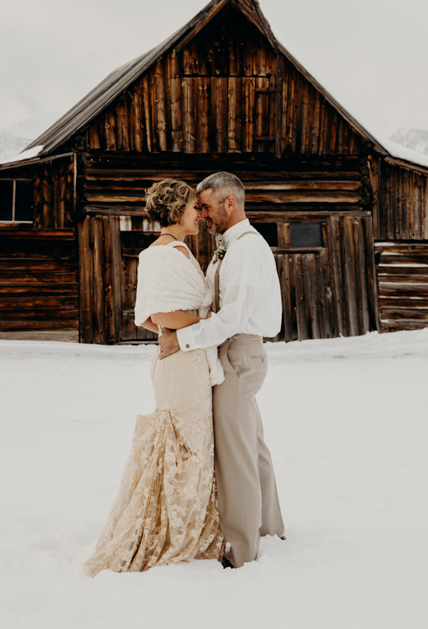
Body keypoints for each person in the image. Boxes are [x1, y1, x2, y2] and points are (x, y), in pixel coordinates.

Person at [84, 179, 224, 575]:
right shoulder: (165, 255)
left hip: (185, 359)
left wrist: (177, 333)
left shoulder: (168, 252)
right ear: (178, 211)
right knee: (184, 446)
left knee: (189, 446)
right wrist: (205, 323)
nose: (200, 214)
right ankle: (173, 534)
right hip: (182, 367)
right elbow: (158, 316)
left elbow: (152, 317)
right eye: (195, 208)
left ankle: (184, 526)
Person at [158, 171, 285, 568]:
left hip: (237, 351)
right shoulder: (229, 246)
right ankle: (268, 526)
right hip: (233, 351)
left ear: (231, 203)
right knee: (251, 444)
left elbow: (231, 318)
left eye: (207, 207)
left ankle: (242, 549)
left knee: (235, 455)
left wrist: (181, 340)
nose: (202, 215)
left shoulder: (245, 249)